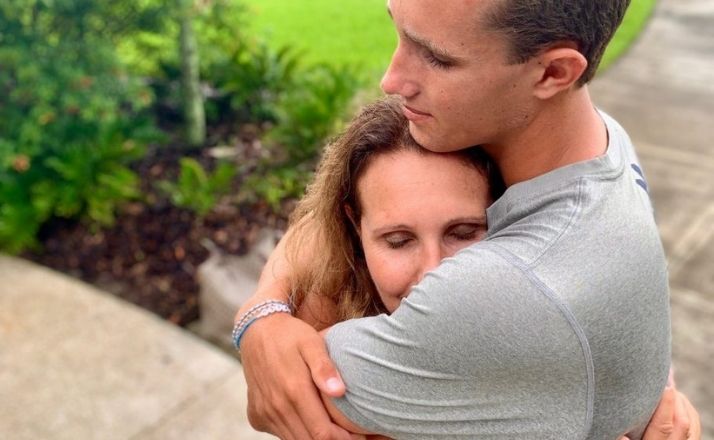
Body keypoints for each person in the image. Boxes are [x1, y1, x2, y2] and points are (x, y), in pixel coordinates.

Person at [235, 0, 701, 438]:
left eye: (438, 59)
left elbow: (278, 400)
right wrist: (264, 310)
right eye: (397, 29)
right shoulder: (599, 142)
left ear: (554, 71)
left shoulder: (498, 292)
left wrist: (263, 322)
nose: (392, 79)